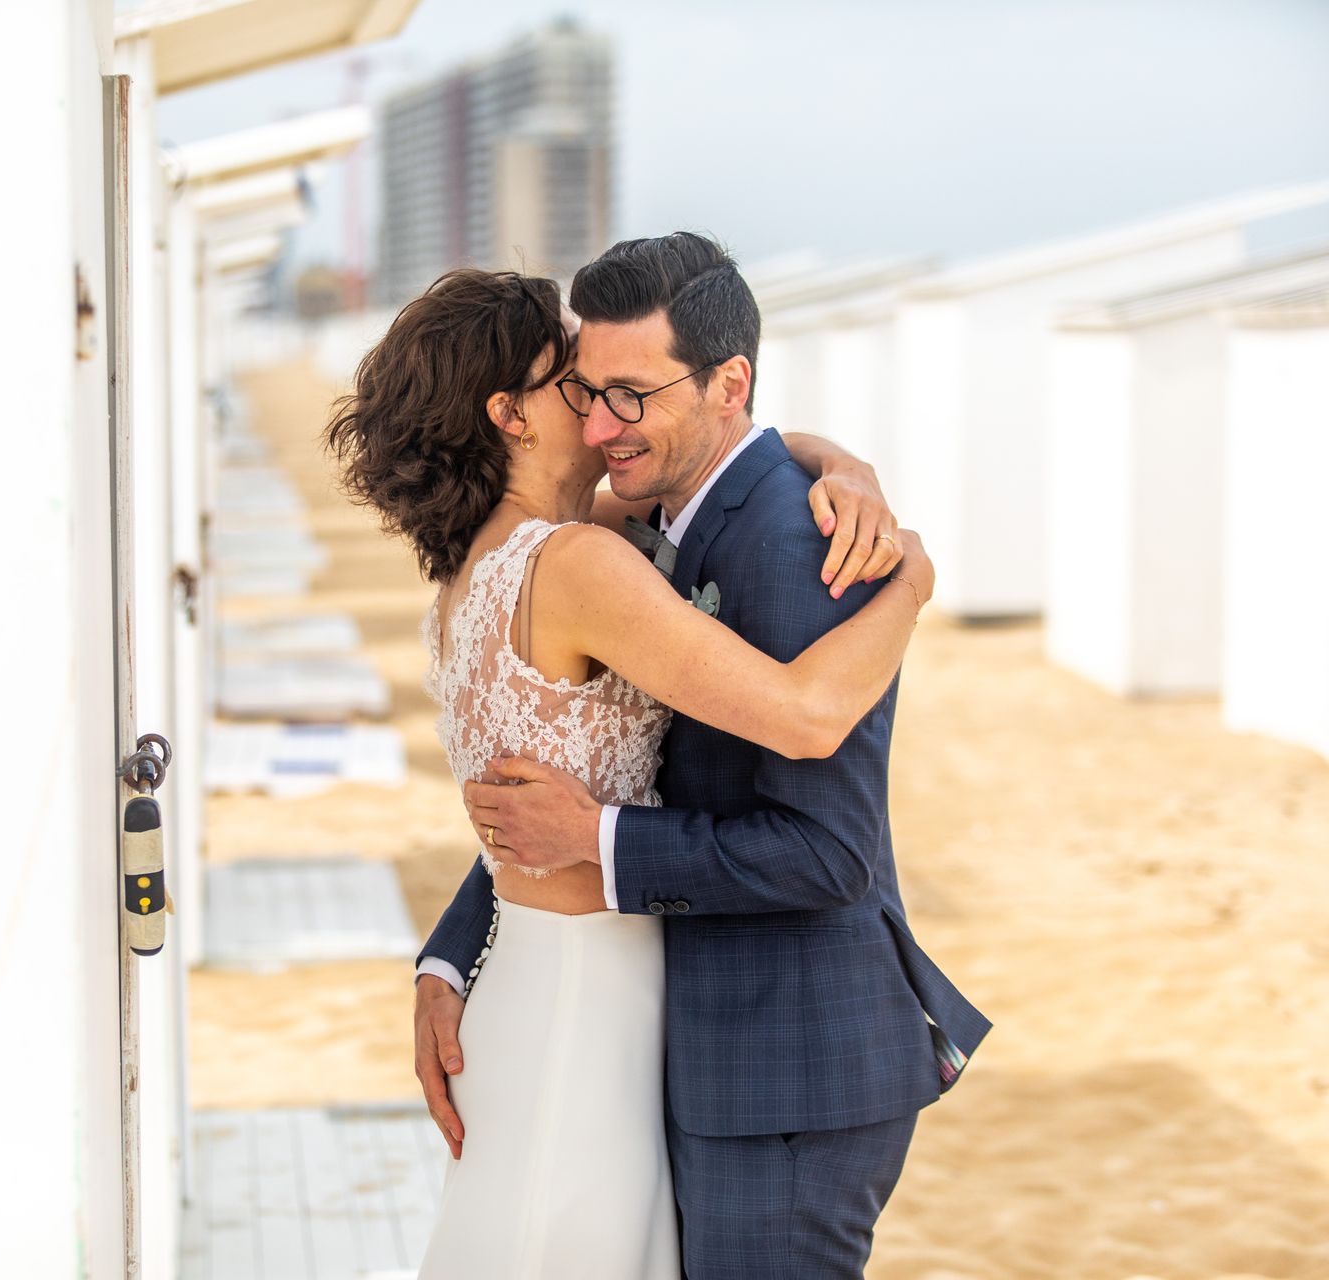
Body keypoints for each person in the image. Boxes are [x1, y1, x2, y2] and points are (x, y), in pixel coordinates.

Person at [325, 253, 970, 1279]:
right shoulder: (580, 556)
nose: (600, 417)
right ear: (511, 413)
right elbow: (771, 726)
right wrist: (915, 584)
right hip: (591, 1007)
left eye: (620, 391)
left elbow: (584, 805)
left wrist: (835, 460)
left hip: (653, 1021)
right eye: (579, 386)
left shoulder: (489, 564)